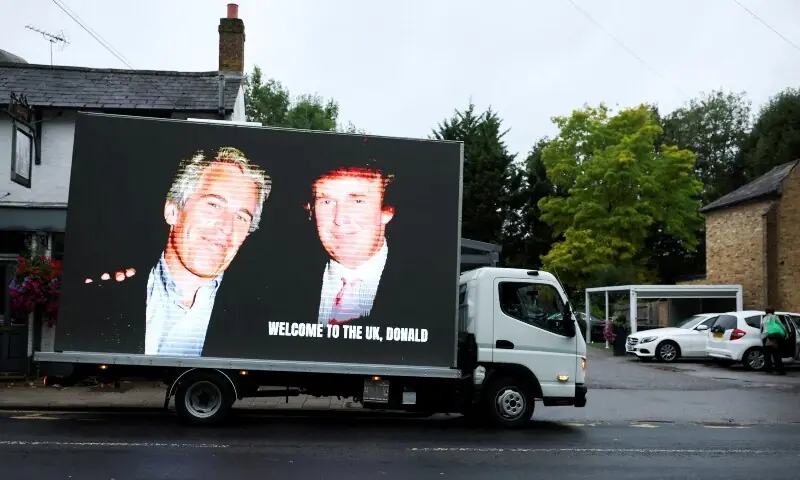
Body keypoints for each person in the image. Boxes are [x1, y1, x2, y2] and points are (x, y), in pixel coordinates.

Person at [84, 147, 271, 356]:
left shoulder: (258, 317)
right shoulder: (106, 295)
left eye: (241, 217)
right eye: (214, 205)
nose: (226, 228)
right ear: (173, 211)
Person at [304, 160, 395, 325]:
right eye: (327, 202)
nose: (339, 219)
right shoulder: (278, 284)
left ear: (386, 211)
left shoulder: (428, 289)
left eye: (357, 201)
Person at [761, 307, 786, 375]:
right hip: (774, 337)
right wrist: (784, 332)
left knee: (767, 355)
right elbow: (781, 325)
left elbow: (763, 327)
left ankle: (768, 369)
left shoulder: (764, 318)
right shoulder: (775, 317)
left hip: (766, 337)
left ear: (766, 312)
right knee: (777, 355)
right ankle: (779, 369)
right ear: (773, 311)